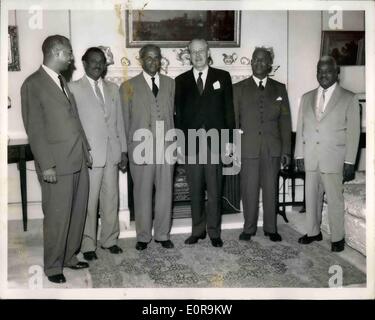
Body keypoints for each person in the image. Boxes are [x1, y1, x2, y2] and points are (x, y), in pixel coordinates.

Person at [21, 35, 92, 284]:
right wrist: (47, 164)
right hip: (57, 165)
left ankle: (70, 256)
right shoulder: (33, 84)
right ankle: (53, 266)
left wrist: (86, 149)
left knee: (77, 212)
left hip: (78, 159)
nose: (72, 58)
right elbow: (35, 129)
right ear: (57, 52)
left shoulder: (62, 80)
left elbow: (75, 119)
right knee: (57, 216)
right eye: (70, 53)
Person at [295, 56, 360, 252]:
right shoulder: (307, 97)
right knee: (311, 197)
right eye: (320, 71)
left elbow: (353, 133)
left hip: (334, 158)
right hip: (311, 156)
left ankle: (338, 237)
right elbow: (301, 129)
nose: (323, 75)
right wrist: (299, 155)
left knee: (334, 199)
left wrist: (350, 161)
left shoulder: (349, 98)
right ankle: (313, 231)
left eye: (328, 71)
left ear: (337, 73)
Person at [175, 39, 235, 248]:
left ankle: (214, 232)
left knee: (215, 190)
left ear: (208, 52)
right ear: (188, 55)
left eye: (201, 51)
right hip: (191, 144)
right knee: (196, 190)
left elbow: (229, 111)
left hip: (215, 143)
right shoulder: (180, 80)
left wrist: (229, 141)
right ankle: (197, 230)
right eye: (193, 52)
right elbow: (179, 116)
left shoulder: (222, 77)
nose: (198, 55)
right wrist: (180, 143)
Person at [68, 47, 127, 261]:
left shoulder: (113, 88)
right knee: (89, 202)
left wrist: (123, 151)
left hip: (112, 154)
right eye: (93, 61)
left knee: (111, 199)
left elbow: (119, 121)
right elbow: (72, 126)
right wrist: (80, 152)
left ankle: (109, 240)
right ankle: (87, 244)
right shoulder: (73, 88)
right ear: (84, 63)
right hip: (89, 156)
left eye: (101, 62)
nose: (98, 65)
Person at [119, 44, 175, 251]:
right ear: (141, 60)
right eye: (148, 57)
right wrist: (124, 151)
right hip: (139, 149)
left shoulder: (171, 84)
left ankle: (162, 234)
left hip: (166, 148)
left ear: (161, 60)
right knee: (141, 193)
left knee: (165, 193)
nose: (153, 61)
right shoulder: (127, 86)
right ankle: (143, 236)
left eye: (157, 57)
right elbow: (123, 121)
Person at [233, 47, 291, 242]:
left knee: (271, 189)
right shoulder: (238, 89)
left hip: (272, 149)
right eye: (254, 60)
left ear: (269, 65)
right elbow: (233, 121)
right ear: (251, 62)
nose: (258, 63)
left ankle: (270, 228)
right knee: (248, 190)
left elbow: (285, 121)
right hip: (247, 148)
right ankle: (248, 228)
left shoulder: (280, 88)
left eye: (262, 60)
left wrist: (286, 151)